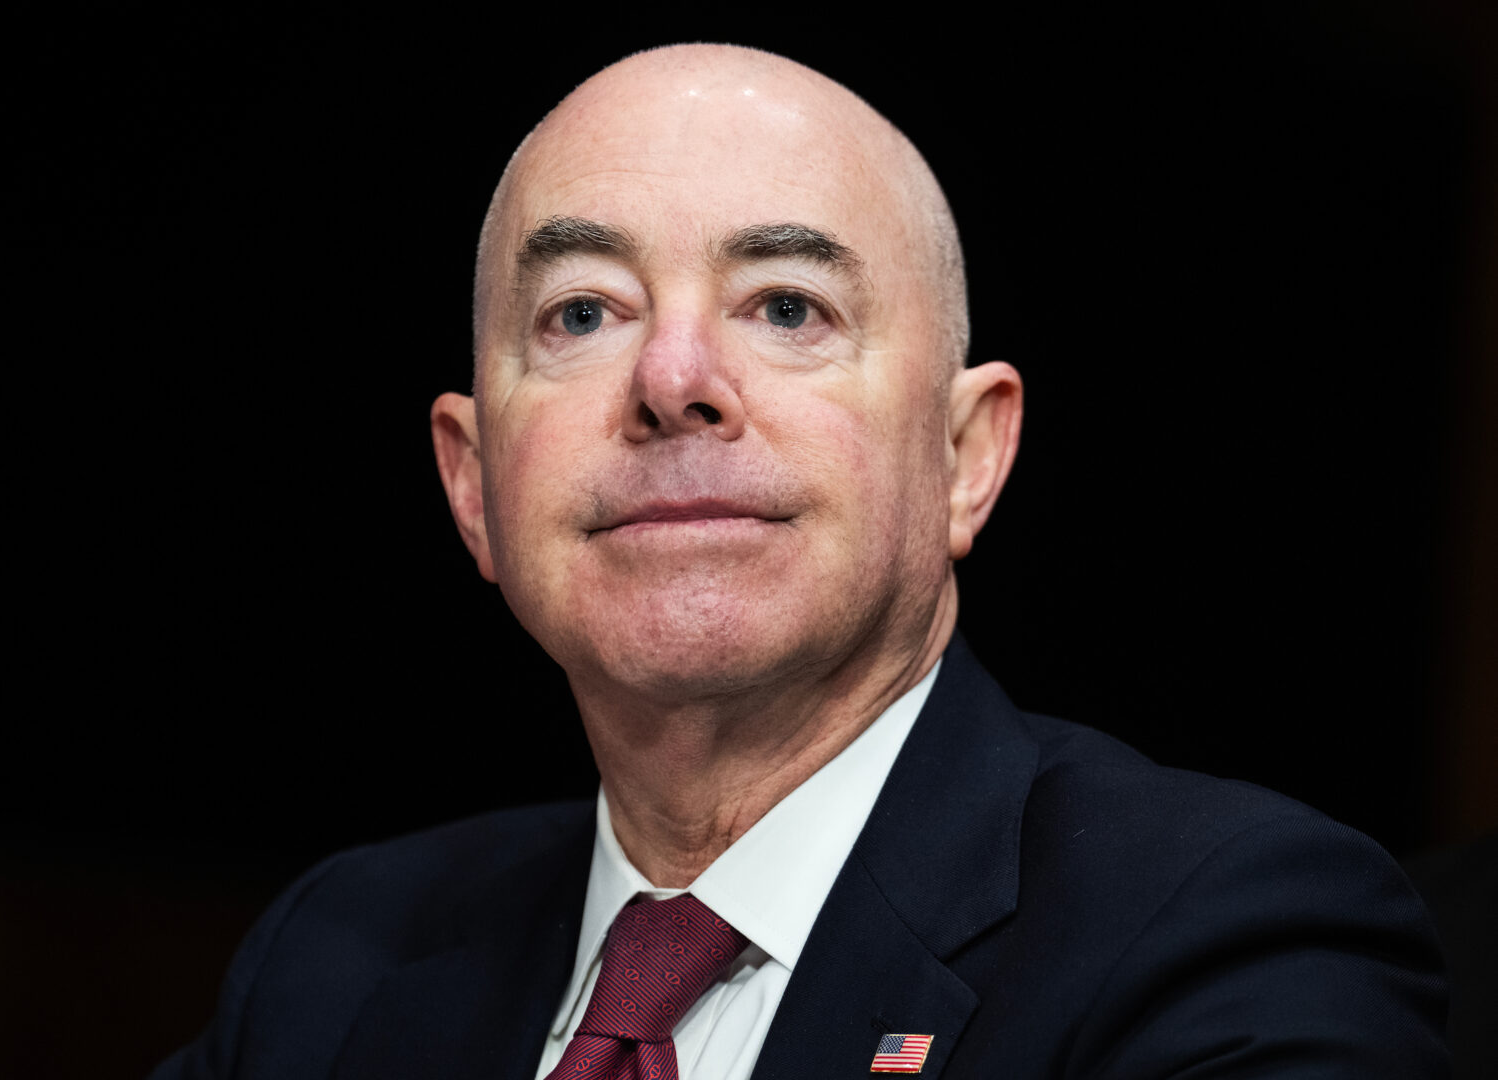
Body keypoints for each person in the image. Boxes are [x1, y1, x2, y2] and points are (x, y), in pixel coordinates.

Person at [151, 44, 1448, 1079]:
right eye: (584, 313)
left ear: (966, 455)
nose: (672, 382)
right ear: (474, 483)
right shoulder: (334, 965)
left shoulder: (1220, 939)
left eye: (786, 307)